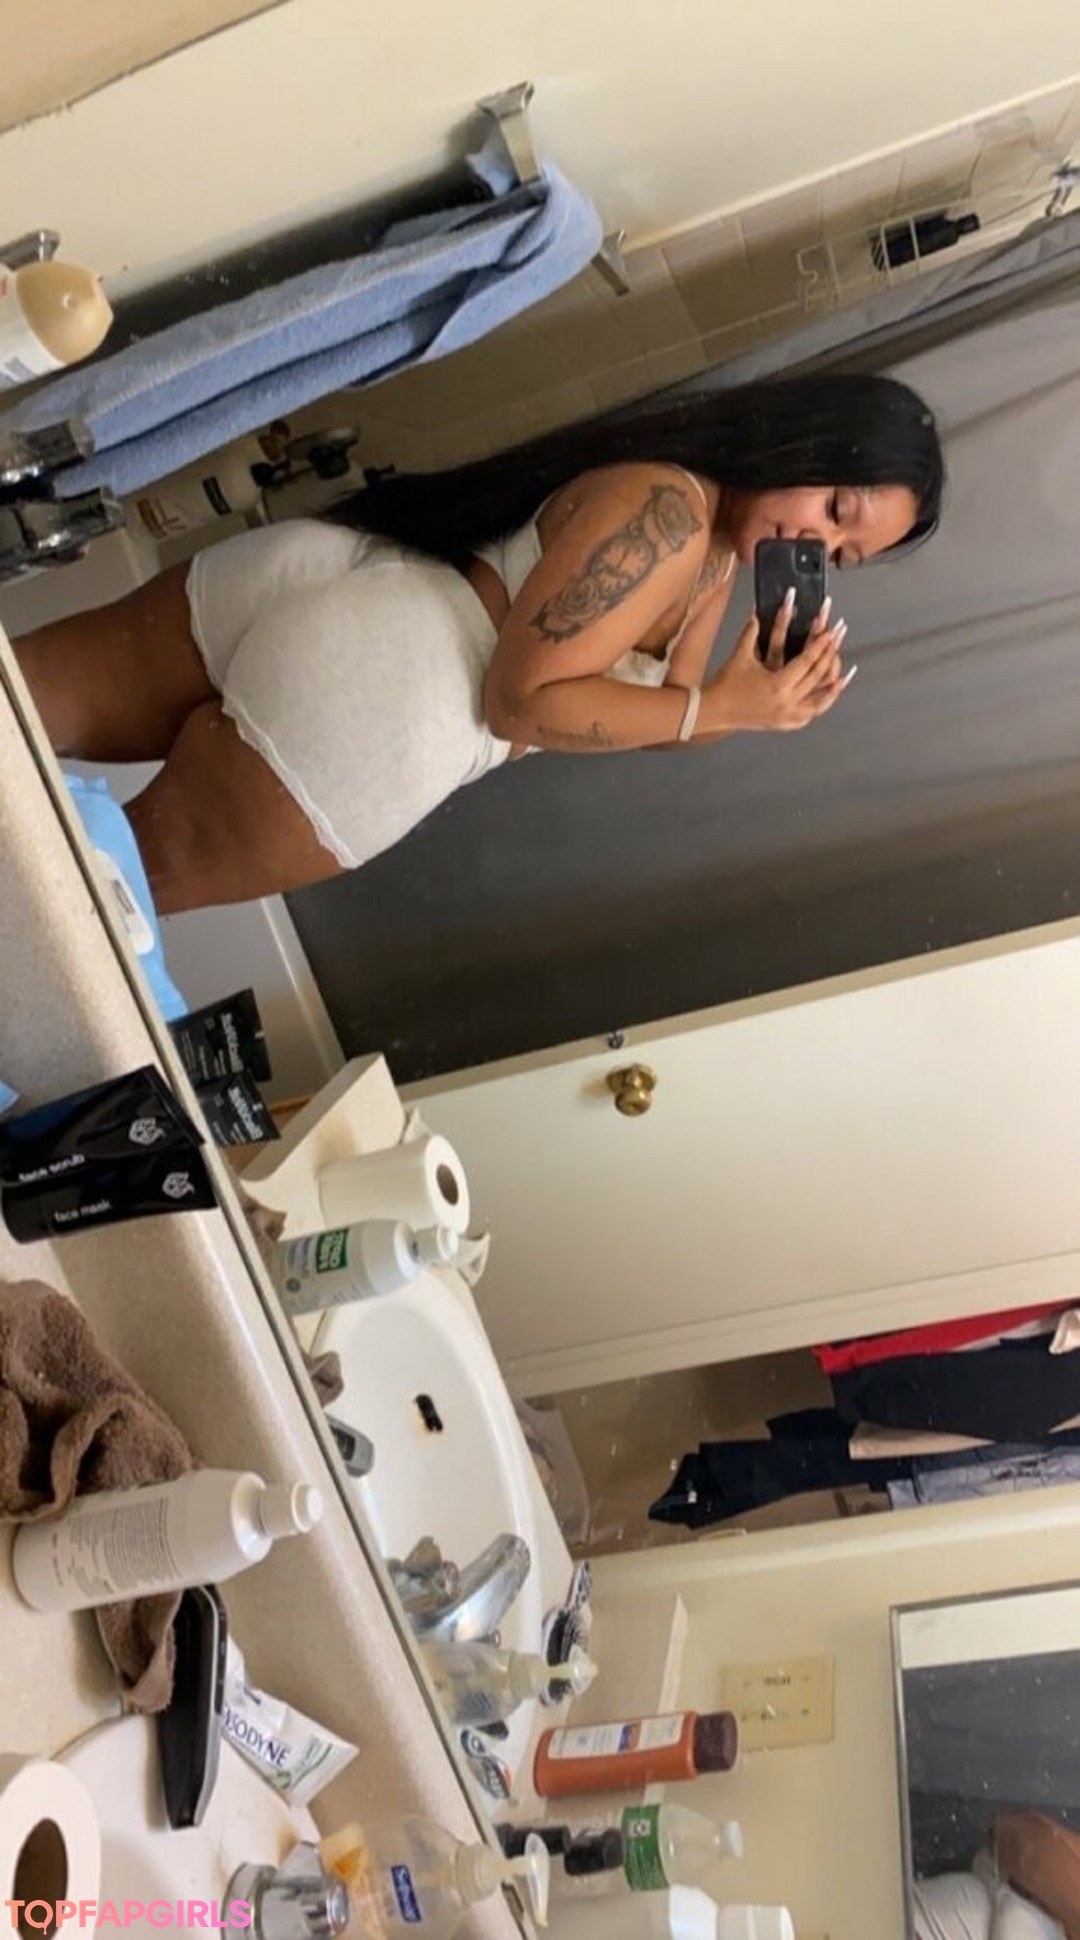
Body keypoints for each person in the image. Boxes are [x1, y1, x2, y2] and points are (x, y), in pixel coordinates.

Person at [15, 372, 943, 915]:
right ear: (812, 438)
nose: (818, 543)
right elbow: (522, 702)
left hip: (348, 576)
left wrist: (745, 703)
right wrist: (721, 710)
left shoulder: (700, 531)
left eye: (841, 555)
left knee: (18, 702)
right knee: (62, 906)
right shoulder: (673, 523)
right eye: (835, 508)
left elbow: (663, 713)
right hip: (387, 713)